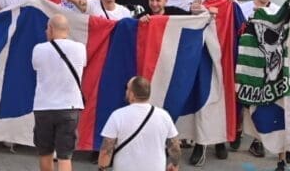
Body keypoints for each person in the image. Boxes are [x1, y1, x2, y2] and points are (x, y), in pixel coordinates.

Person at [31, 13, 86, 171]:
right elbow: (83, 64)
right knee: (64, 156)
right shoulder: (80, 48)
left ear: (50, 29)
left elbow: (35, 66)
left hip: (44, 107)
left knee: (45, 152)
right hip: (69, 106)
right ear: (67, 30)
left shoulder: (38, 49)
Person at [97, 76, 180, 171]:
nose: (126, 92)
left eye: (127, 89)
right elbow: (174, 146)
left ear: (132, 94)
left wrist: (102, 168)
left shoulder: (117, 115)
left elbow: (106, 149)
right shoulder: (164, 115)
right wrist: (175, 165)